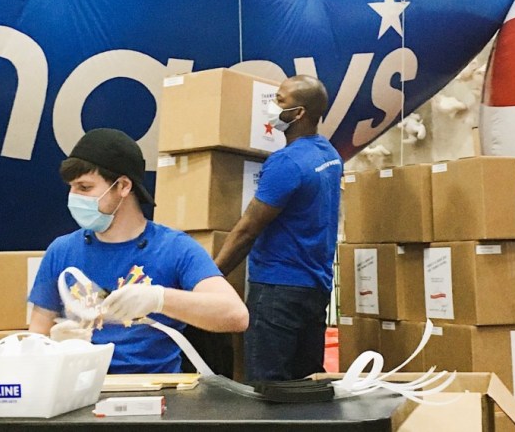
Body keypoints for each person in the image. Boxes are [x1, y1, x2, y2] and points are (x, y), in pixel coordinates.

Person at [28, 128, 249, 373]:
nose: (74, 197)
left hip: (153, 393)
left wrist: (159, 298)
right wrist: (55, 348)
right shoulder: (62, 250)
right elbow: (37, 333)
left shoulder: (174, 248)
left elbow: (236, 315)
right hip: (80, 389)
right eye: (72, 187)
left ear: (122, 186)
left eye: (84, 187)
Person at [214, 74, 342, 382]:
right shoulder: (329, 155)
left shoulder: (286, 163)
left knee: (267, 386)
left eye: (280, 101)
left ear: (298, 114)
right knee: (304, 382)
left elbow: (247, 231)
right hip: (314, 288)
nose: (272, 107)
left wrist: (210, 279)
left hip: (276, 292)